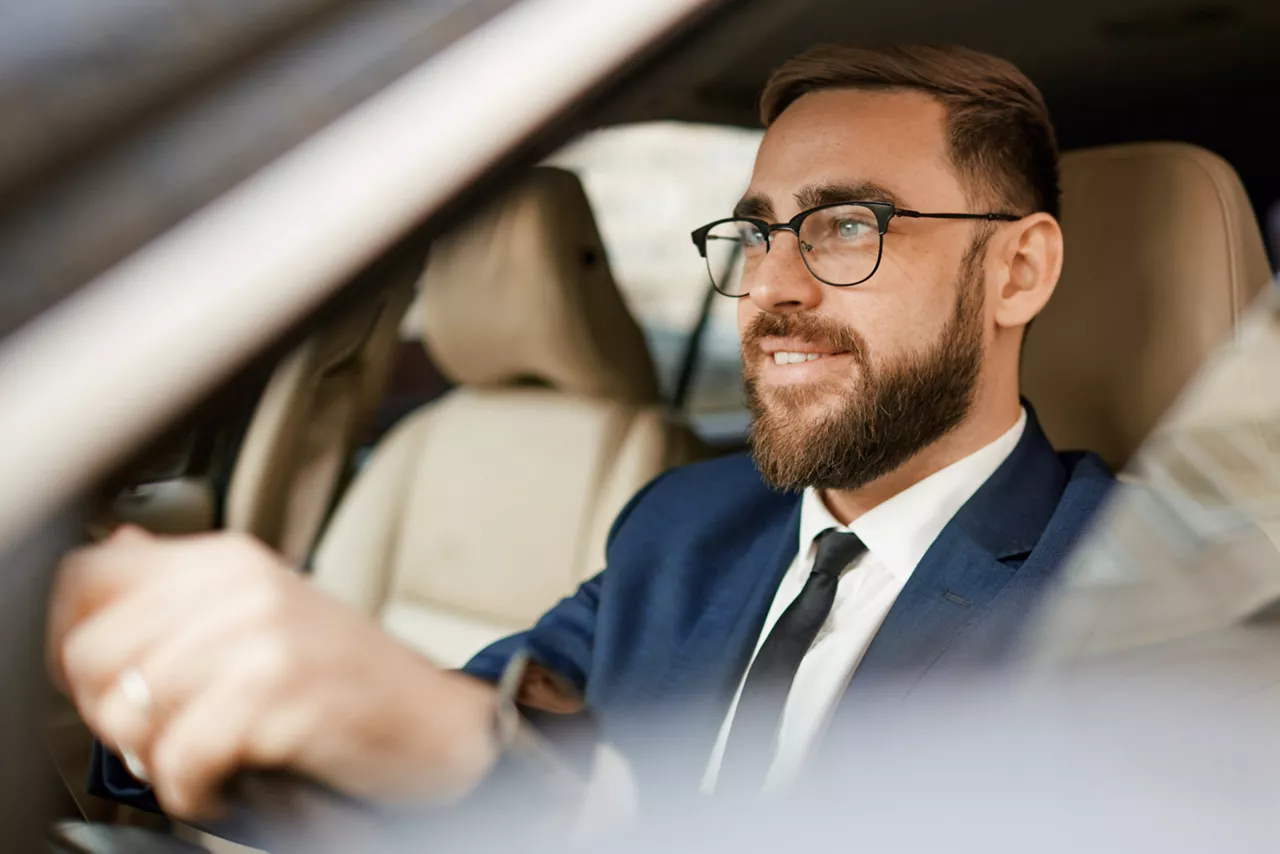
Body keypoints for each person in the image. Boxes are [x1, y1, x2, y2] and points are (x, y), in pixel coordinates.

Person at [48, 43, 1113, 823]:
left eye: (844, 226)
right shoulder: (685, 522)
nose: (769, 288)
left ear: (1015, 271)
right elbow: (452, 725)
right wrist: (164, 687)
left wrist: (481, 759)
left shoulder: (1145, 583)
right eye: (753, 232)